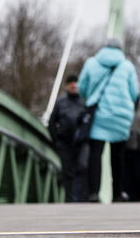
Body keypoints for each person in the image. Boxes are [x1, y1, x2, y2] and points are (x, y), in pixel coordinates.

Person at [78, 37, 139, 203]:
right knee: (117, 156)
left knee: (95, 153)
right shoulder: (127, 66)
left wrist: (92, 96)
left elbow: (82, 88)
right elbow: (134, 93)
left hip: (98, 114)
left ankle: (92, 193)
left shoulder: (91, 63)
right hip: (120, 115)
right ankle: (117, 193)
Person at [48, 74, 88, 202]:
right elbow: (52, 121)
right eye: (71, 82)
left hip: (81, 143)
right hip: (64, 143)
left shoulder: (84, 101)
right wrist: (56, 140)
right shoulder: (60, 101)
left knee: (83, 168)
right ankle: (70, 200)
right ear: (67, 85)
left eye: (76, 82)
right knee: (68, 172)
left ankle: (83, 198)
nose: (73, 85)